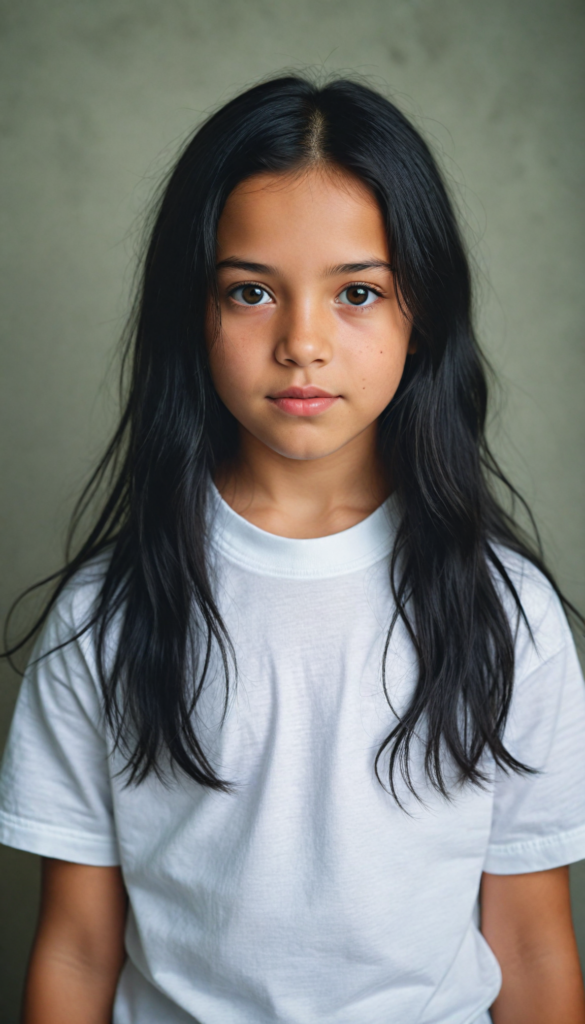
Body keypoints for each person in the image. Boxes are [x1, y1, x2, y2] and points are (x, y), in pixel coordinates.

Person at [1, 75, 585, 1024]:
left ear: (421, 312)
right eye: (251, 292)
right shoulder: (107, 615)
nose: (301, 342)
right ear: (193, 312)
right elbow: (75, 946)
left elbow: (529, 939)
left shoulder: (505, 613)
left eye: (356, 291)